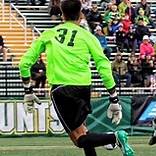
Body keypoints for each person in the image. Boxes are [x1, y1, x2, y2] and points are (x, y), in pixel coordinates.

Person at [18, 0, 134, 156]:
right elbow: (104, 66)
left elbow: (24, 63)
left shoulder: (49, 34)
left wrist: (28, 91)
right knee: (83, 130)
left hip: (62, 89)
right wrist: (114, 98)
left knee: (79, 139)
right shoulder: (88, 36)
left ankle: (115, 137)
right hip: (84, 88)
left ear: (62, 15)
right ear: (81, 15)